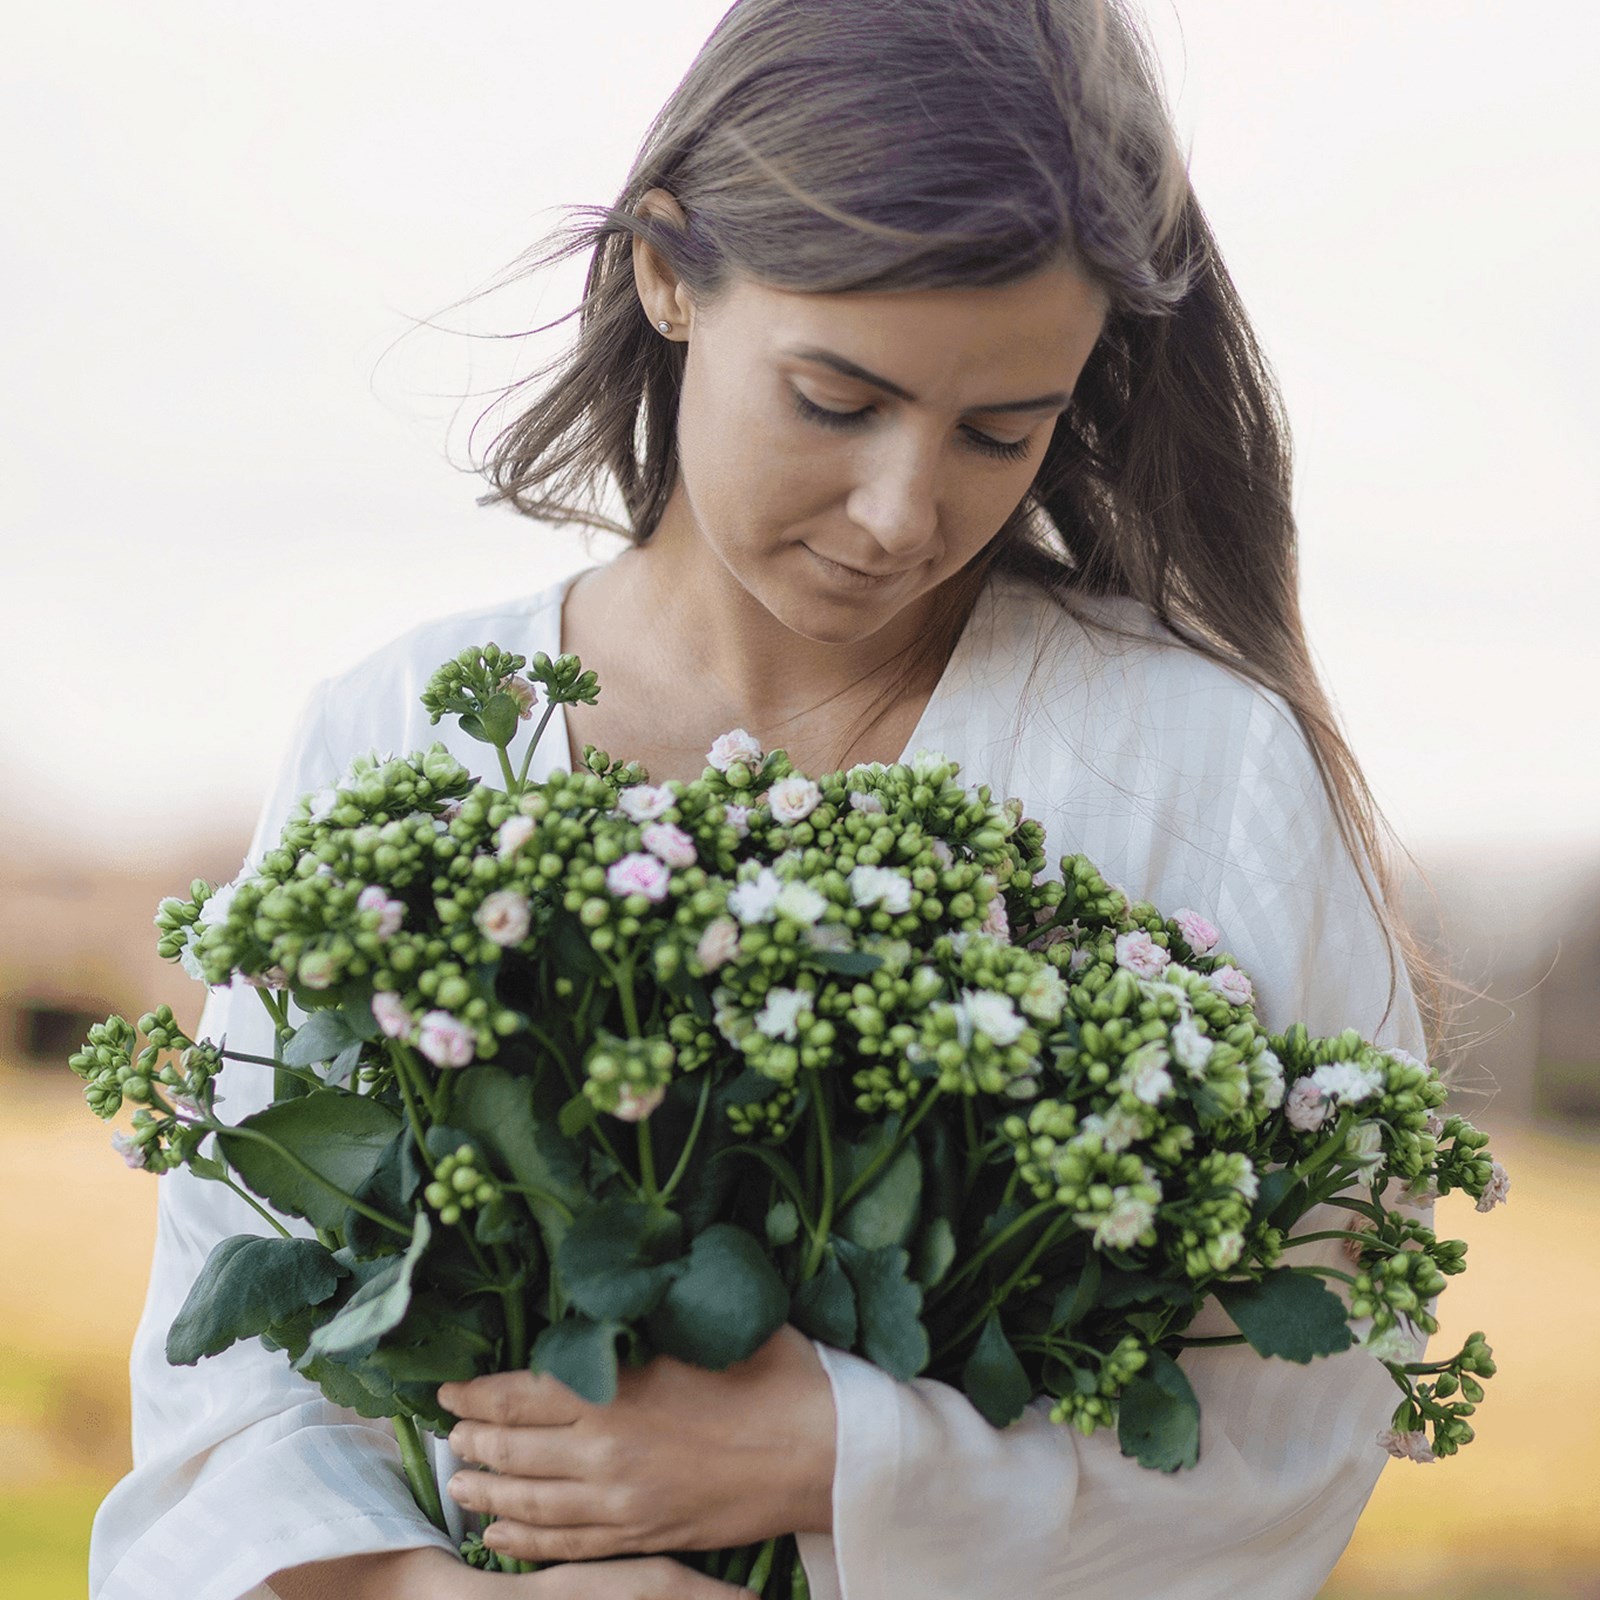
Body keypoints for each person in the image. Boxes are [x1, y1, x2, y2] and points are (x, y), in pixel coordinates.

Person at [89, 2, 1449, 1597]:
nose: (901, 512)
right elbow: (224, 1409)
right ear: (667, 271)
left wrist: (841, 1457)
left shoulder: (1201, 771)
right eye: (837, 399)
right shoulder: (397, 734)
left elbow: (1304, 1424)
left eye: (1001, 433)